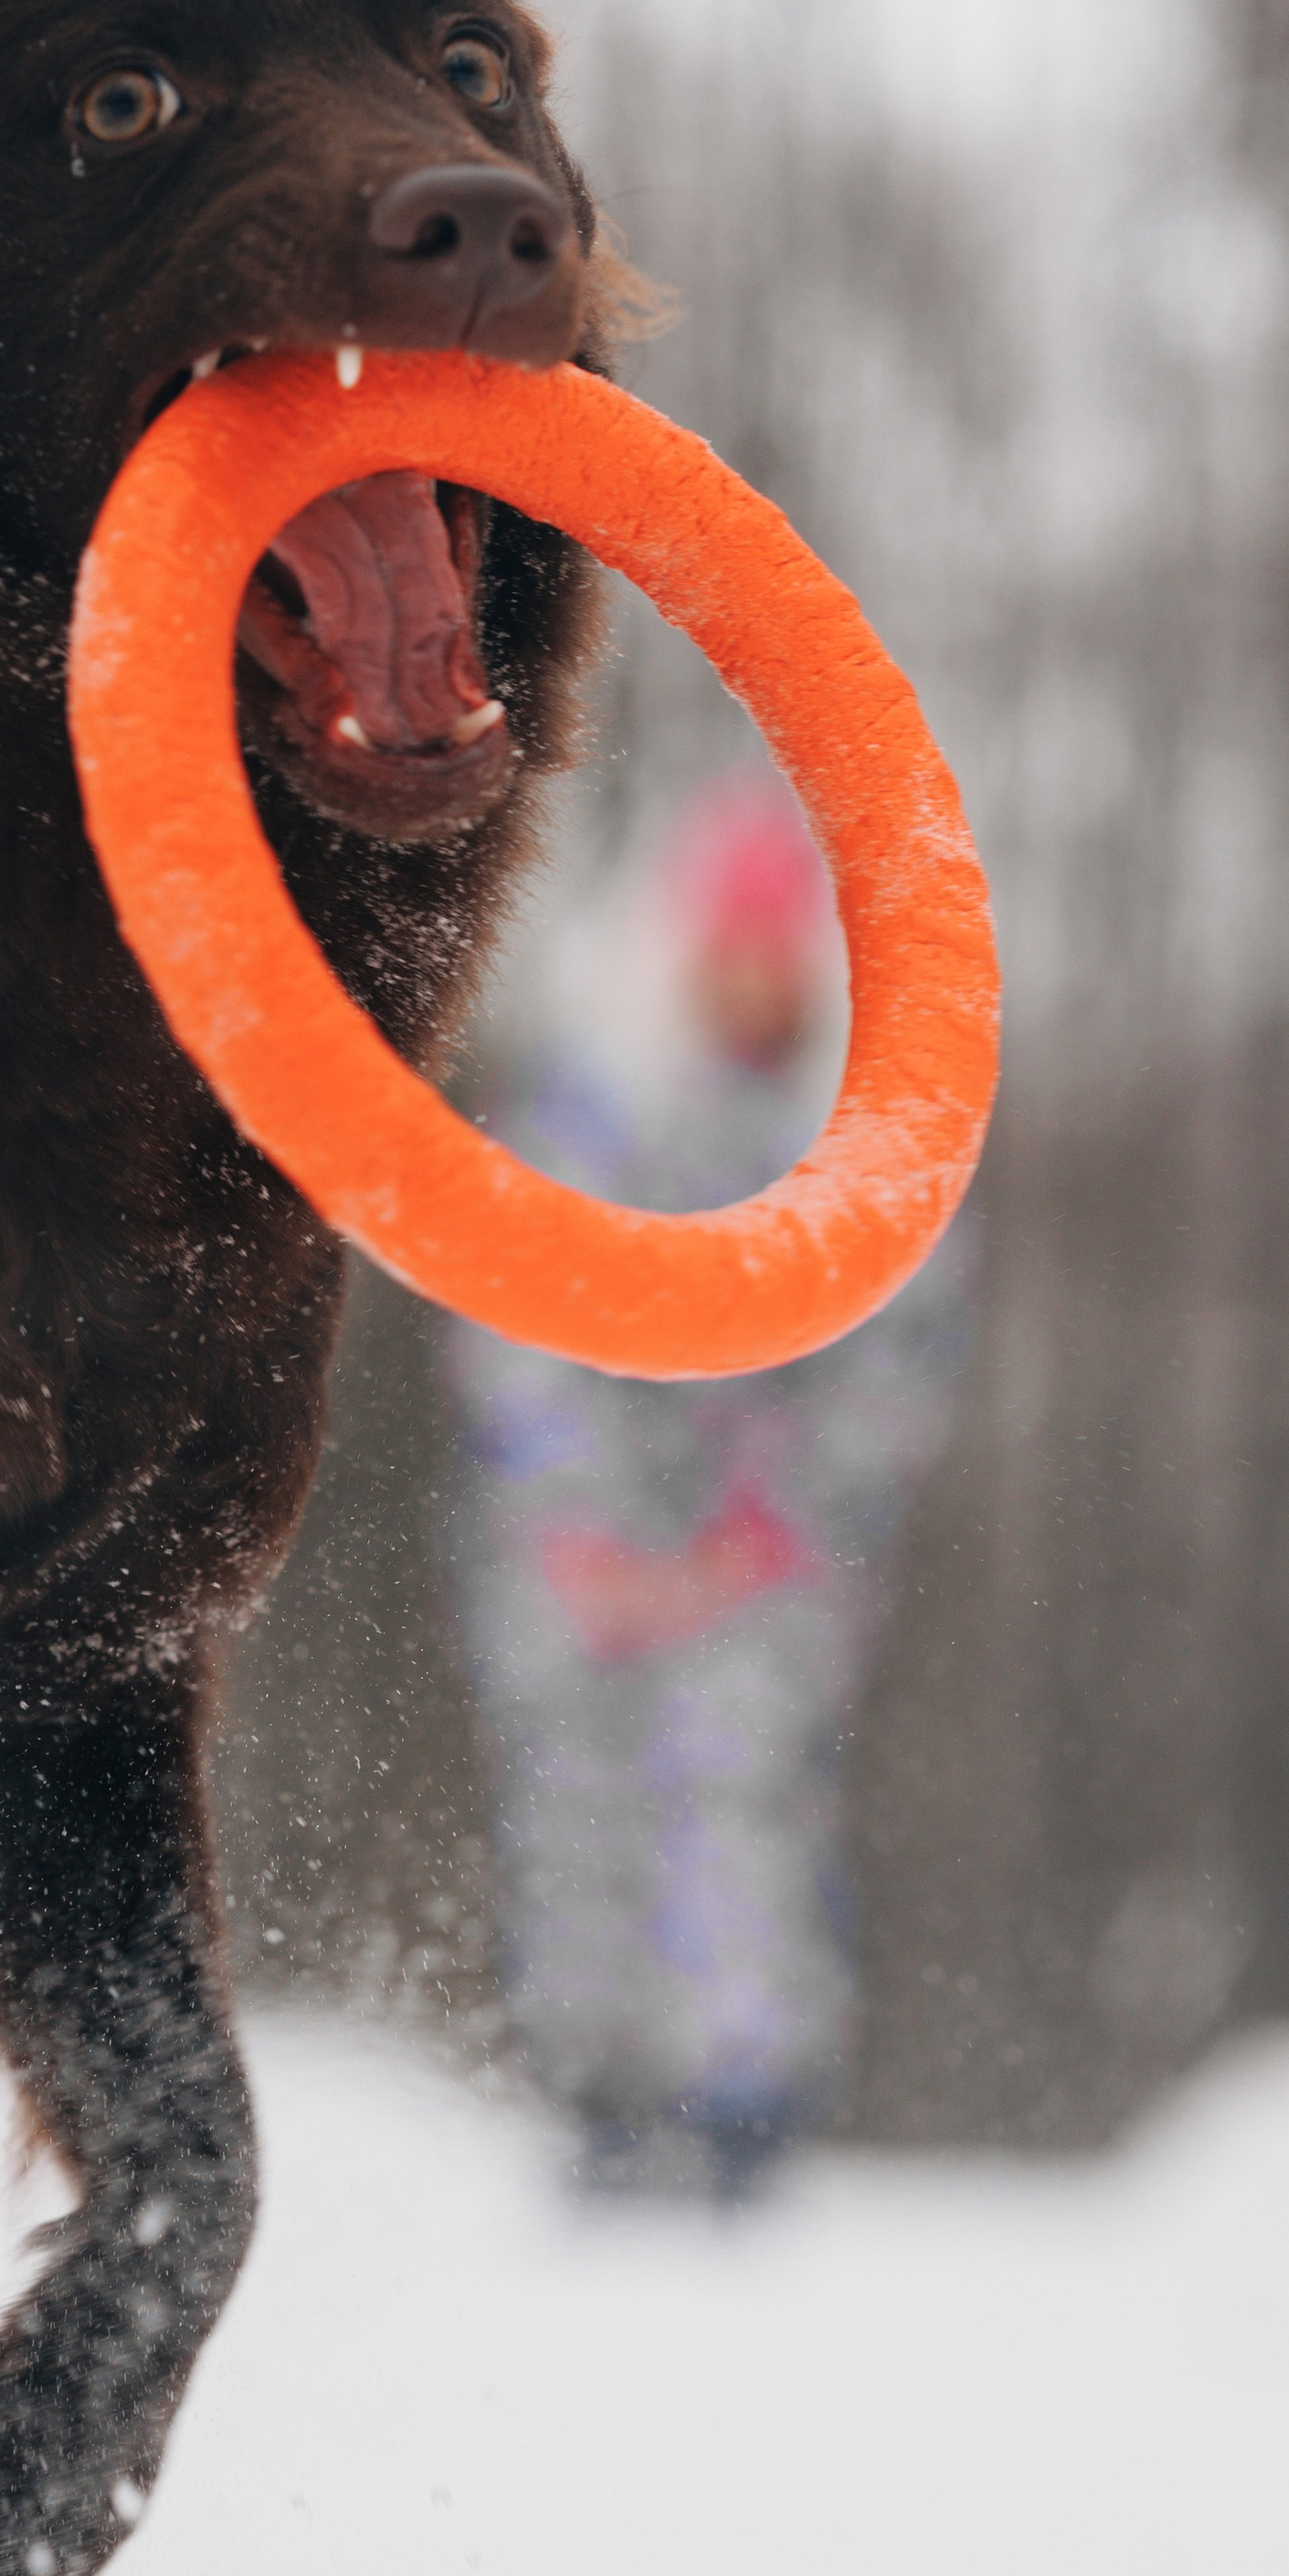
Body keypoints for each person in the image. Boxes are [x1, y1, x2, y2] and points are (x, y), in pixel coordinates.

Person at [444, 774, 971, 2200]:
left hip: (764, 1561)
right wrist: (578, 1524)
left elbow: (895, 1351)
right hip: (578, 1561)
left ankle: (746, 2095)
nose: (748, 985)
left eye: (772, 959)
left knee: (738, 1805)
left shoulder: (856, 1130)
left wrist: (770, 1528)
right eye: (727, 953)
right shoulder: (592, 1118)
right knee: (581, 1807)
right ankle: (596, 2089)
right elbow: (514, 1324)